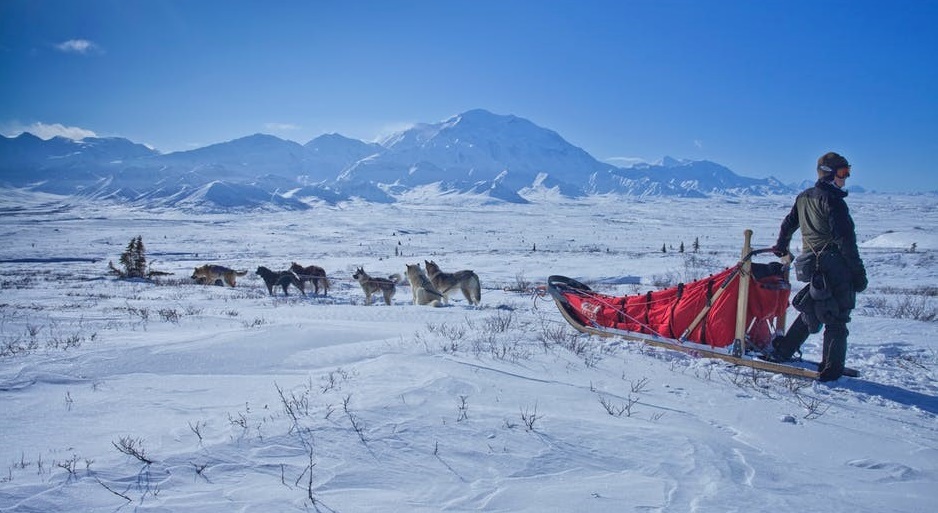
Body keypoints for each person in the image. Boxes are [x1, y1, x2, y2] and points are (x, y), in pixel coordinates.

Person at [767, 152, 867, 381]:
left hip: (812, 264)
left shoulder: (804, 197)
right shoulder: (833, 202)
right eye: (843, 173)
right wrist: (858, 274)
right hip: (835, 265)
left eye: (847, 172)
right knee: (838, 317)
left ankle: (783, 351)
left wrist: (781, 246)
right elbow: (846, 242)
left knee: (812, 307)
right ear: (829, 174)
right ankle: (831, 370)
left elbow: (788, 223)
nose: (846, 178)